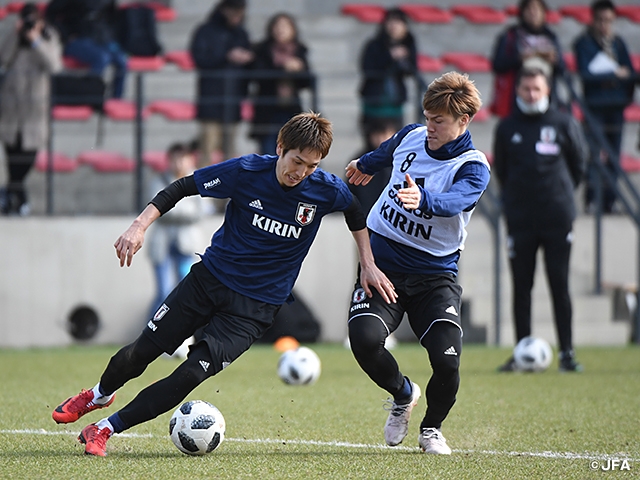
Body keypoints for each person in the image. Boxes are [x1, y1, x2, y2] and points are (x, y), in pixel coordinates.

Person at [51, 112, 396, 457]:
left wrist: (368, 262)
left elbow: (355, 213)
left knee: (190, 374)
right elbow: (183, 187)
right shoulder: (247, 171)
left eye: (311, 165)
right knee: (140, 353)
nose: (301, 172)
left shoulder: (326, 189)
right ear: (280, 147)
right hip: (208, 281)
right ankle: (98, 395)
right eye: (297, 161)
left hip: (256, 308)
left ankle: (105, 429)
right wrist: (139, 226)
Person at [345, 72, 490, 454]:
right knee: (364, 340)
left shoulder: (474, 167)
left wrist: (423, 199)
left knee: (447, 360)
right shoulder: (412, 135)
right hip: (382, 265)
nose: (430, 127)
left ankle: (432, 429)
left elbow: (455, 201)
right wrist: (365, 164)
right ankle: (402, 393)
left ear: (463, 121)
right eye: (428, 117)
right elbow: (387, 151)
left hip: (433, 278)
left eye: (438, 121)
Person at [493, 67, 587, 373]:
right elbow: (502, 171)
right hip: (520, 219)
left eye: (537, 89)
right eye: (526, 89)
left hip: (557, 217)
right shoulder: (506, 127)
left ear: (547, 91)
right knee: (522, 286)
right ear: (517, 91)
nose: (531, 94)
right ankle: (522, 351)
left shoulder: (563, 122)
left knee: (559, 284)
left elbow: (579, 165)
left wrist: (558, 194)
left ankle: (567, 354)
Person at [573, 0, 635, 214]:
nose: (604, 25)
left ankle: (610, 201)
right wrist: (613, 74)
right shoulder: (584, 43)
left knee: (614, 155)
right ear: (593, 19)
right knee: (594, 154)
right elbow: (585, 74)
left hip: (616, 107)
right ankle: (591, 198)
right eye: (600, 20)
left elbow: (630, 72)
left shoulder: (617, 43)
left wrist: (623, 78)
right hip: (595, 107)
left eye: (608, 20)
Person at [0, 3, 62, 215]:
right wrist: (16, 34)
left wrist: (35, 39)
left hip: (34, 114)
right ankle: (16, 203)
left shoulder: (47, 36)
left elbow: (53, 65)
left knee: (24, 163)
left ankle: (10, 197)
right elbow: (3, 59)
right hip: (11, 113)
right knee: (12, 161)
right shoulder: (16, 37)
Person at [189, 0, 253, 168]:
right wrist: (226, 55)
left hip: (233, 100)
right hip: (211, 98)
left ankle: (226, 193)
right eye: (234, 11)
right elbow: (199, 59)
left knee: (230, 154)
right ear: (224, 10)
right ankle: (201, 192)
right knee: (207, 151)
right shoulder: (206, 31)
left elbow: (249, 69)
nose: (237, 17)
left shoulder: (241, 34)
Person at [146, 143, 203, 320]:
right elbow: (154, 210)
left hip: (186, 244)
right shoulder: (159, 181)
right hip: (162, 243)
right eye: (175, 160)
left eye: (182, 159)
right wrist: (177, 211)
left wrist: (170, 208)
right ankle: (151, 332)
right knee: (164, 291)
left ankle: (182, 335)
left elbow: (200, 211)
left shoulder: (197, 179)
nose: (179, 164)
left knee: (186, 292)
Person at [250, 13, 312, 156]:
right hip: (267, 110)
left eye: (285, 26)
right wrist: (283, 68)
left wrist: (299, 70)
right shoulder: (262, 50)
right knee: (269, 153)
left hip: (290, 109)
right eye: (278, 26)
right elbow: (258, 76)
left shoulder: (299, 51)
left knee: (291, 152)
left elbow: (307, 82)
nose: (281, 30)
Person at [490, 0, 565, 118]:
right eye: (529, 9)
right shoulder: (510, 36)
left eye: (537, 9)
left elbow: (562, 68)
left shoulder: (551, 36)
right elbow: (497, 65)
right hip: (515, 101)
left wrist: (553, 60)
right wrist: (519, 59)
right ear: (522, 12)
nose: (533, 13)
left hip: (547, 102)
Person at [45, 0, 127, 98]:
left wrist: (110, 34)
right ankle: (92, 96)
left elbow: (113, 16)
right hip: (77, 39)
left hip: (102, 38)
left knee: (122, 60)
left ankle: (116, 100)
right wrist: (65, 35)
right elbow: (50, 14)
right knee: (102, 58)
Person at [358, 8, 418, 138]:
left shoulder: (408, 44)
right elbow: (367, 68)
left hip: (395, 101)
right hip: (374, 99)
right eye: (391, 22)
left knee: (395, 140)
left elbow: (412, 69)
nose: (394, 26)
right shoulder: (374, 45)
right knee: (373, 140)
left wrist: (404, 57)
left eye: (398, 23)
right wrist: (389, 56)